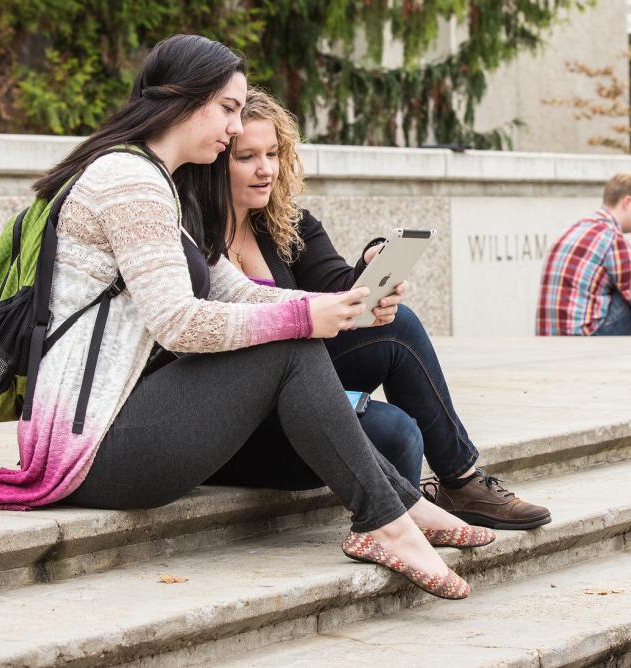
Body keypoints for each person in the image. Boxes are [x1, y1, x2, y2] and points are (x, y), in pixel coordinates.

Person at [0, 35, 495, 600]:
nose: (237, 127)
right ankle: (387, 523)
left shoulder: (157, 182)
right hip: (94, 449)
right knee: (290, 346)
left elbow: (232, 291)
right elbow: (179, 323)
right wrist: (302, 319)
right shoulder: (129, 183)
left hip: (114, 430)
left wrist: (329, 308)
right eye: (230, 108)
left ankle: (400, 510)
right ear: (185, 100)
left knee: (299, 337)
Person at [210, 86, 551, 531]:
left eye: (273, 154)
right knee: (394, 431)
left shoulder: (288, 227)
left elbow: (339, 287)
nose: (265, 170)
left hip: (300, 390)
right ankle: (404, 520)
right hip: (238, 416)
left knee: (397, 335)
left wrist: (373, 264)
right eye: (246, 157)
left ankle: (459, 482)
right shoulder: (192, 235)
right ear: (217, 162)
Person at [537, 172, 631, 336]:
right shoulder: (612, 236)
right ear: (628, 202)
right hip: (585, 339)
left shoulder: (575, 228)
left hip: (548, 337)